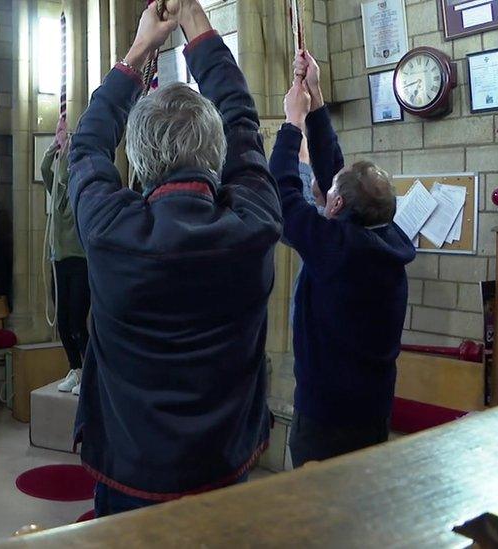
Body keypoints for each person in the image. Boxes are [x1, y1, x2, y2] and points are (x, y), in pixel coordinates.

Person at [69, 0, 282, 516]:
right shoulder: (253, 223)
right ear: (217, 154)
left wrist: (141, 47)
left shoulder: (110, 230)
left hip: (130, 470)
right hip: (223, 465)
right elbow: (242, 118)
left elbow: (87, 148)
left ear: (139, 162)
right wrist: (195, 21)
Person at [270, 51, 415, 467]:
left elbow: (281, 195)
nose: (322, 194)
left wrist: (291, 123)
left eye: (329, 197)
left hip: (326, 418)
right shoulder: (385, 236)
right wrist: (314, 95)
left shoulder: (338, 250)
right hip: (371, 409)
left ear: (335, 210)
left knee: (322, 520)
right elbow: (336, 172)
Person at [39, 125, 90, 395]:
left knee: (78, 321)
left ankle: (89, 373)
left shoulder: (81, 190)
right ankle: (75, 368)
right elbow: (45, 169)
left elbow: (69, 177)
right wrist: (55, 144)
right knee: (62, 320)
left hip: (80, 261)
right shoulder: (57, 192)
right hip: (59, 260)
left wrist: (71, 151)